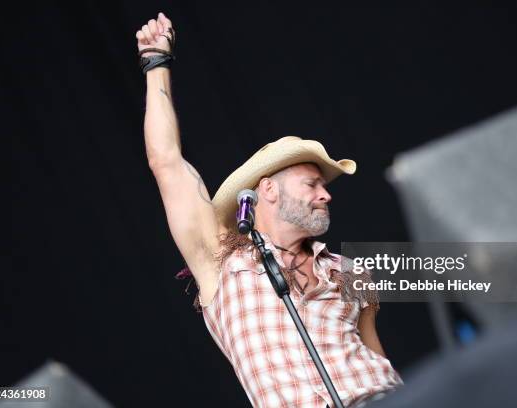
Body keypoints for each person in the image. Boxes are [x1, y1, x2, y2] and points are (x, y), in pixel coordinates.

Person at [136, 12, 403, 407]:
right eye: (311, 184)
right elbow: (167, 161)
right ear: (268, 190)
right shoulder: (223, 264)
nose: (325, 195)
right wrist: (156, 64)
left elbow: (377, 358)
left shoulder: (349, 273)